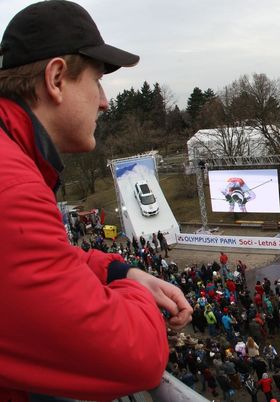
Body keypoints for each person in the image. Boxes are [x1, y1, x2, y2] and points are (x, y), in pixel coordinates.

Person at [0, 1, 192, 400]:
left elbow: (36, 265)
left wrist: (119, 272)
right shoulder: (12, 187)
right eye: (97, 81)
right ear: (56, 78)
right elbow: (134, 357)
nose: (104, 101)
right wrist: (137, 294)